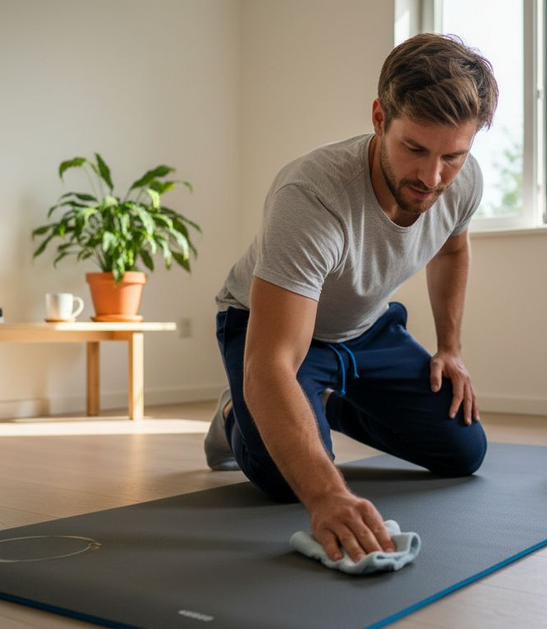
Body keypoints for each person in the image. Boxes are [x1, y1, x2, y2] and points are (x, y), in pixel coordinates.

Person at [207, 33, 498, 565]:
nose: (432, 177)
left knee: (463, 451)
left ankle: (322, 398)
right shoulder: (312, 194)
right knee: (281, 480)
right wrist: (327, 495)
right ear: (380, 117)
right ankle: (234, 412)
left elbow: (452, 251)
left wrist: (450, 347)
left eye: (452, 156)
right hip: (272, 330)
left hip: (365, 328)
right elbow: (271, 362)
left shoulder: (463, 181)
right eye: (415, 149)